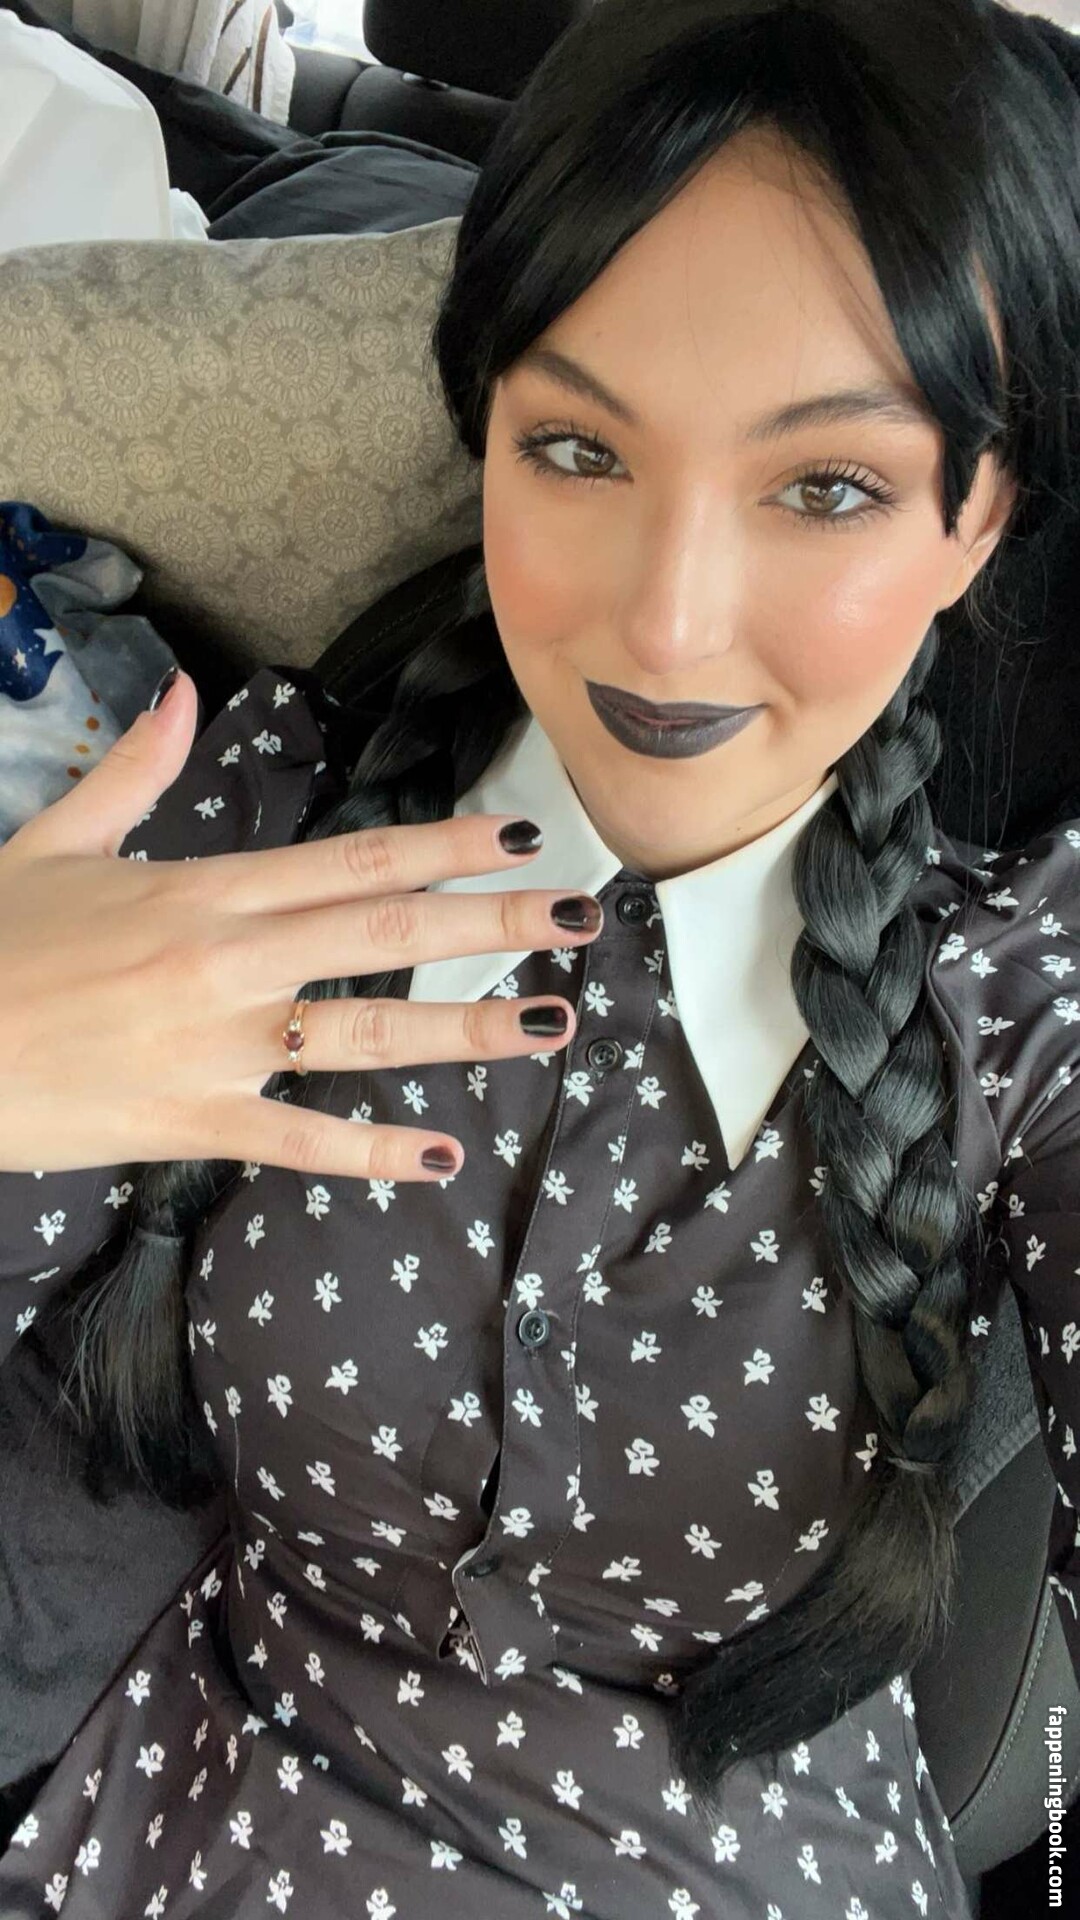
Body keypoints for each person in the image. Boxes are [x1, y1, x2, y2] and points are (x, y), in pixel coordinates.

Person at [1, 0, 1079, 1912]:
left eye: (825, 486)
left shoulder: (1021, 999)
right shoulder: (242, 816)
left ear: (978, 514)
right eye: (577, 448)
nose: (665, 624)